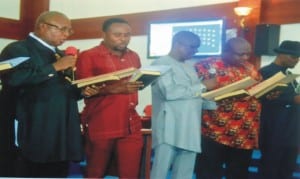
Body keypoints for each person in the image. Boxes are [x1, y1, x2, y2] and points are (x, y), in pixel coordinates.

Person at [0, 11, 99, 177]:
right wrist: (54, 67)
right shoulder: (17, 48)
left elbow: (65, 90)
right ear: (43, 27)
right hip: (32, 128)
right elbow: (13, 79)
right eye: (62, 29)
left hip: (61, 130)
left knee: (57, 172)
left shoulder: (61, 55)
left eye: (69, 30)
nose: (66, 35)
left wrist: (83, 91)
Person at [76, 18, 144, 178]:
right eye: (117, 34)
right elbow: (83, 89)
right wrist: (114, 88)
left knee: (130, 174)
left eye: (127, 35)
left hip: (131, 122)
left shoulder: (134, 56)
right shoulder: (89, 56)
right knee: (95, 173)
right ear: (104, 34)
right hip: (101, 122)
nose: (123, 38)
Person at [150, 31, 217, 179]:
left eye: (197, 48)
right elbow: (170, 93)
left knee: (185, 171)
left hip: (190, 125)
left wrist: (214, 100)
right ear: (177, 44)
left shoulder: (189, 67)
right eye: (192, 47)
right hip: (169, 125)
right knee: (161, 169)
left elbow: (192, 96)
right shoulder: (160, 63)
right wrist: (203, 86)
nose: (195, 51)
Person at [194, 37, 262, 179]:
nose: (245, 57)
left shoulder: (249, 67)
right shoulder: (206, 65)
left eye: (248, 54)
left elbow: (257, 88)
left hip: (245, 132)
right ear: (226, 51)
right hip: (215, 131)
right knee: (209, 172)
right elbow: (196, 91)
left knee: (239, 172)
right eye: (240, 54)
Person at [258, 40, 300, 179]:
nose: (297, 60)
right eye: (293, 57)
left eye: (299, 57)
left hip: (291, 128)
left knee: (287, 168)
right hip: (274, 128)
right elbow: (261, 98)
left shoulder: (289, 76)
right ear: (281, 54)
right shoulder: (266, 73)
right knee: (271, 168)